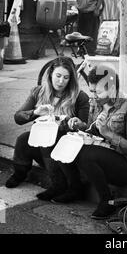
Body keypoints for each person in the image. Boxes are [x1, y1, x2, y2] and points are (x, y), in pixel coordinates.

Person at [5, 57, 90, 202]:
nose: (61, 81)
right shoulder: (39, 92)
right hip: (43, 139)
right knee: (23, 139)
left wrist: (75, 124)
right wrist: (36, 112)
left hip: (66, 144)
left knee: (48, 141)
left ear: (71, 79)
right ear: (50, 74)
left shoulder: (80, 97)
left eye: (66, 77)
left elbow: (85, 128)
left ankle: (59, 185)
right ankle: (20, 173)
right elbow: (18, 117)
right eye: (58, 76)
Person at [75, 65, 127, 219]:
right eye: (92, 91)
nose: (94, 96)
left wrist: (107, 133)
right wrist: (79, 126)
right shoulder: (98, 102)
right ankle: (72, 188)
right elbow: (92, 129)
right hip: (108, 155)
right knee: (74, 146)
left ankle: (106, 201)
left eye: (98, 91)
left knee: (86, 155)